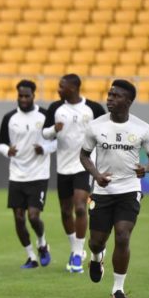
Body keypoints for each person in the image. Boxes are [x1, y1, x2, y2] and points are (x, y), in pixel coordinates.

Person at [80, 79, 149, 298]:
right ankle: (96, 258)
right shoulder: (95, 126)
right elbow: (84, 155)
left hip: (129, 188)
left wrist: (147, 168)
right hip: (102, 191)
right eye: (110, 94)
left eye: (116, 96)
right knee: (96, 241)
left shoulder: (142, 128)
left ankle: (117, 290)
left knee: (123, 236)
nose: (110, 99)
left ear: (128, 101)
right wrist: (96, 176)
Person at [42, 74, 106, 273]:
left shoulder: (93, 108)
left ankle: (78, 254)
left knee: (80, 207)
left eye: (62, 86)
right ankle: (74, 247)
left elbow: (105, 130)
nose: (58, 89)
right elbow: (44, 133)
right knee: (65, 210)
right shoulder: (55, 108)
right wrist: (54, 129)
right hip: (63, 167)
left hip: (83, 165)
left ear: (73, 87)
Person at [0, 80, 57, 269]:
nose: (23, 99)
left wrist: (45, 148)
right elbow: (1, 142)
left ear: (33, 95)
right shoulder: (9, 117)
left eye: (26, 96)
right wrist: (7, 150)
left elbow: (58, 142)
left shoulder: (45, 115)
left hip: (38, 174)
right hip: (16, 174)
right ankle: (31, 256)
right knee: (18, 218)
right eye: (20, 96)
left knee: (33, 216)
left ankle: (42, 243)